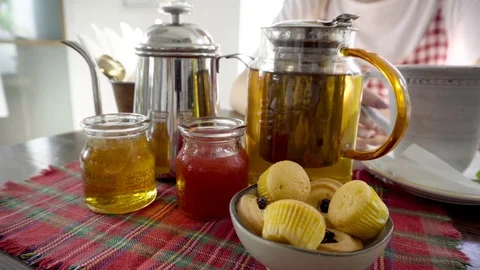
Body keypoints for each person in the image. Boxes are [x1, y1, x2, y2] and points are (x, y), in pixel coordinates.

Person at [230, 0, 480, 149]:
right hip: (328, 156)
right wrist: (304, 106)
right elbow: (241, 90)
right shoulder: (310, 4)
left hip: (416, 165)